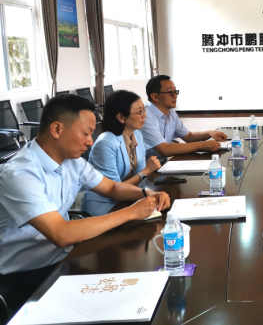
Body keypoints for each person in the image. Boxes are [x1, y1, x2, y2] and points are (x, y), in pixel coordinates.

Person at [0, 94, 170, 317]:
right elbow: (61, 233)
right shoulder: (20, 174)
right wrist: (130, 212)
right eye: (86, 133)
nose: (90, 141)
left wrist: (148, 193)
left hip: (64, 258)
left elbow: (112, 188)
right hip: (26, 276)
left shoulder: (73, 162)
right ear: (57, 129)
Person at [83, 90, 161, 216]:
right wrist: (146, 171)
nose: (144, 115)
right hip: (106, 207)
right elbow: (113, 188)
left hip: (129, 200)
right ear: (121, 117)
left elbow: (137, 175)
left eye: (144, 110)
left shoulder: (137, 135)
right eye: (139, 112)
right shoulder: (105, 144)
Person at [141, 75, 227, 159]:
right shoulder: (145, 116)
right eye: (170, 92)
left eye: (175, 91)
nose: (175, 96)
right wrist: (201, 145)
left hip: (162, 163)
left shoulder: (171, 113)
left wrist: (210, 133)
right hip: (147, 167)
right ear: (155, 96)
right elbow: (164, 150)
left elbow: (189, 136)